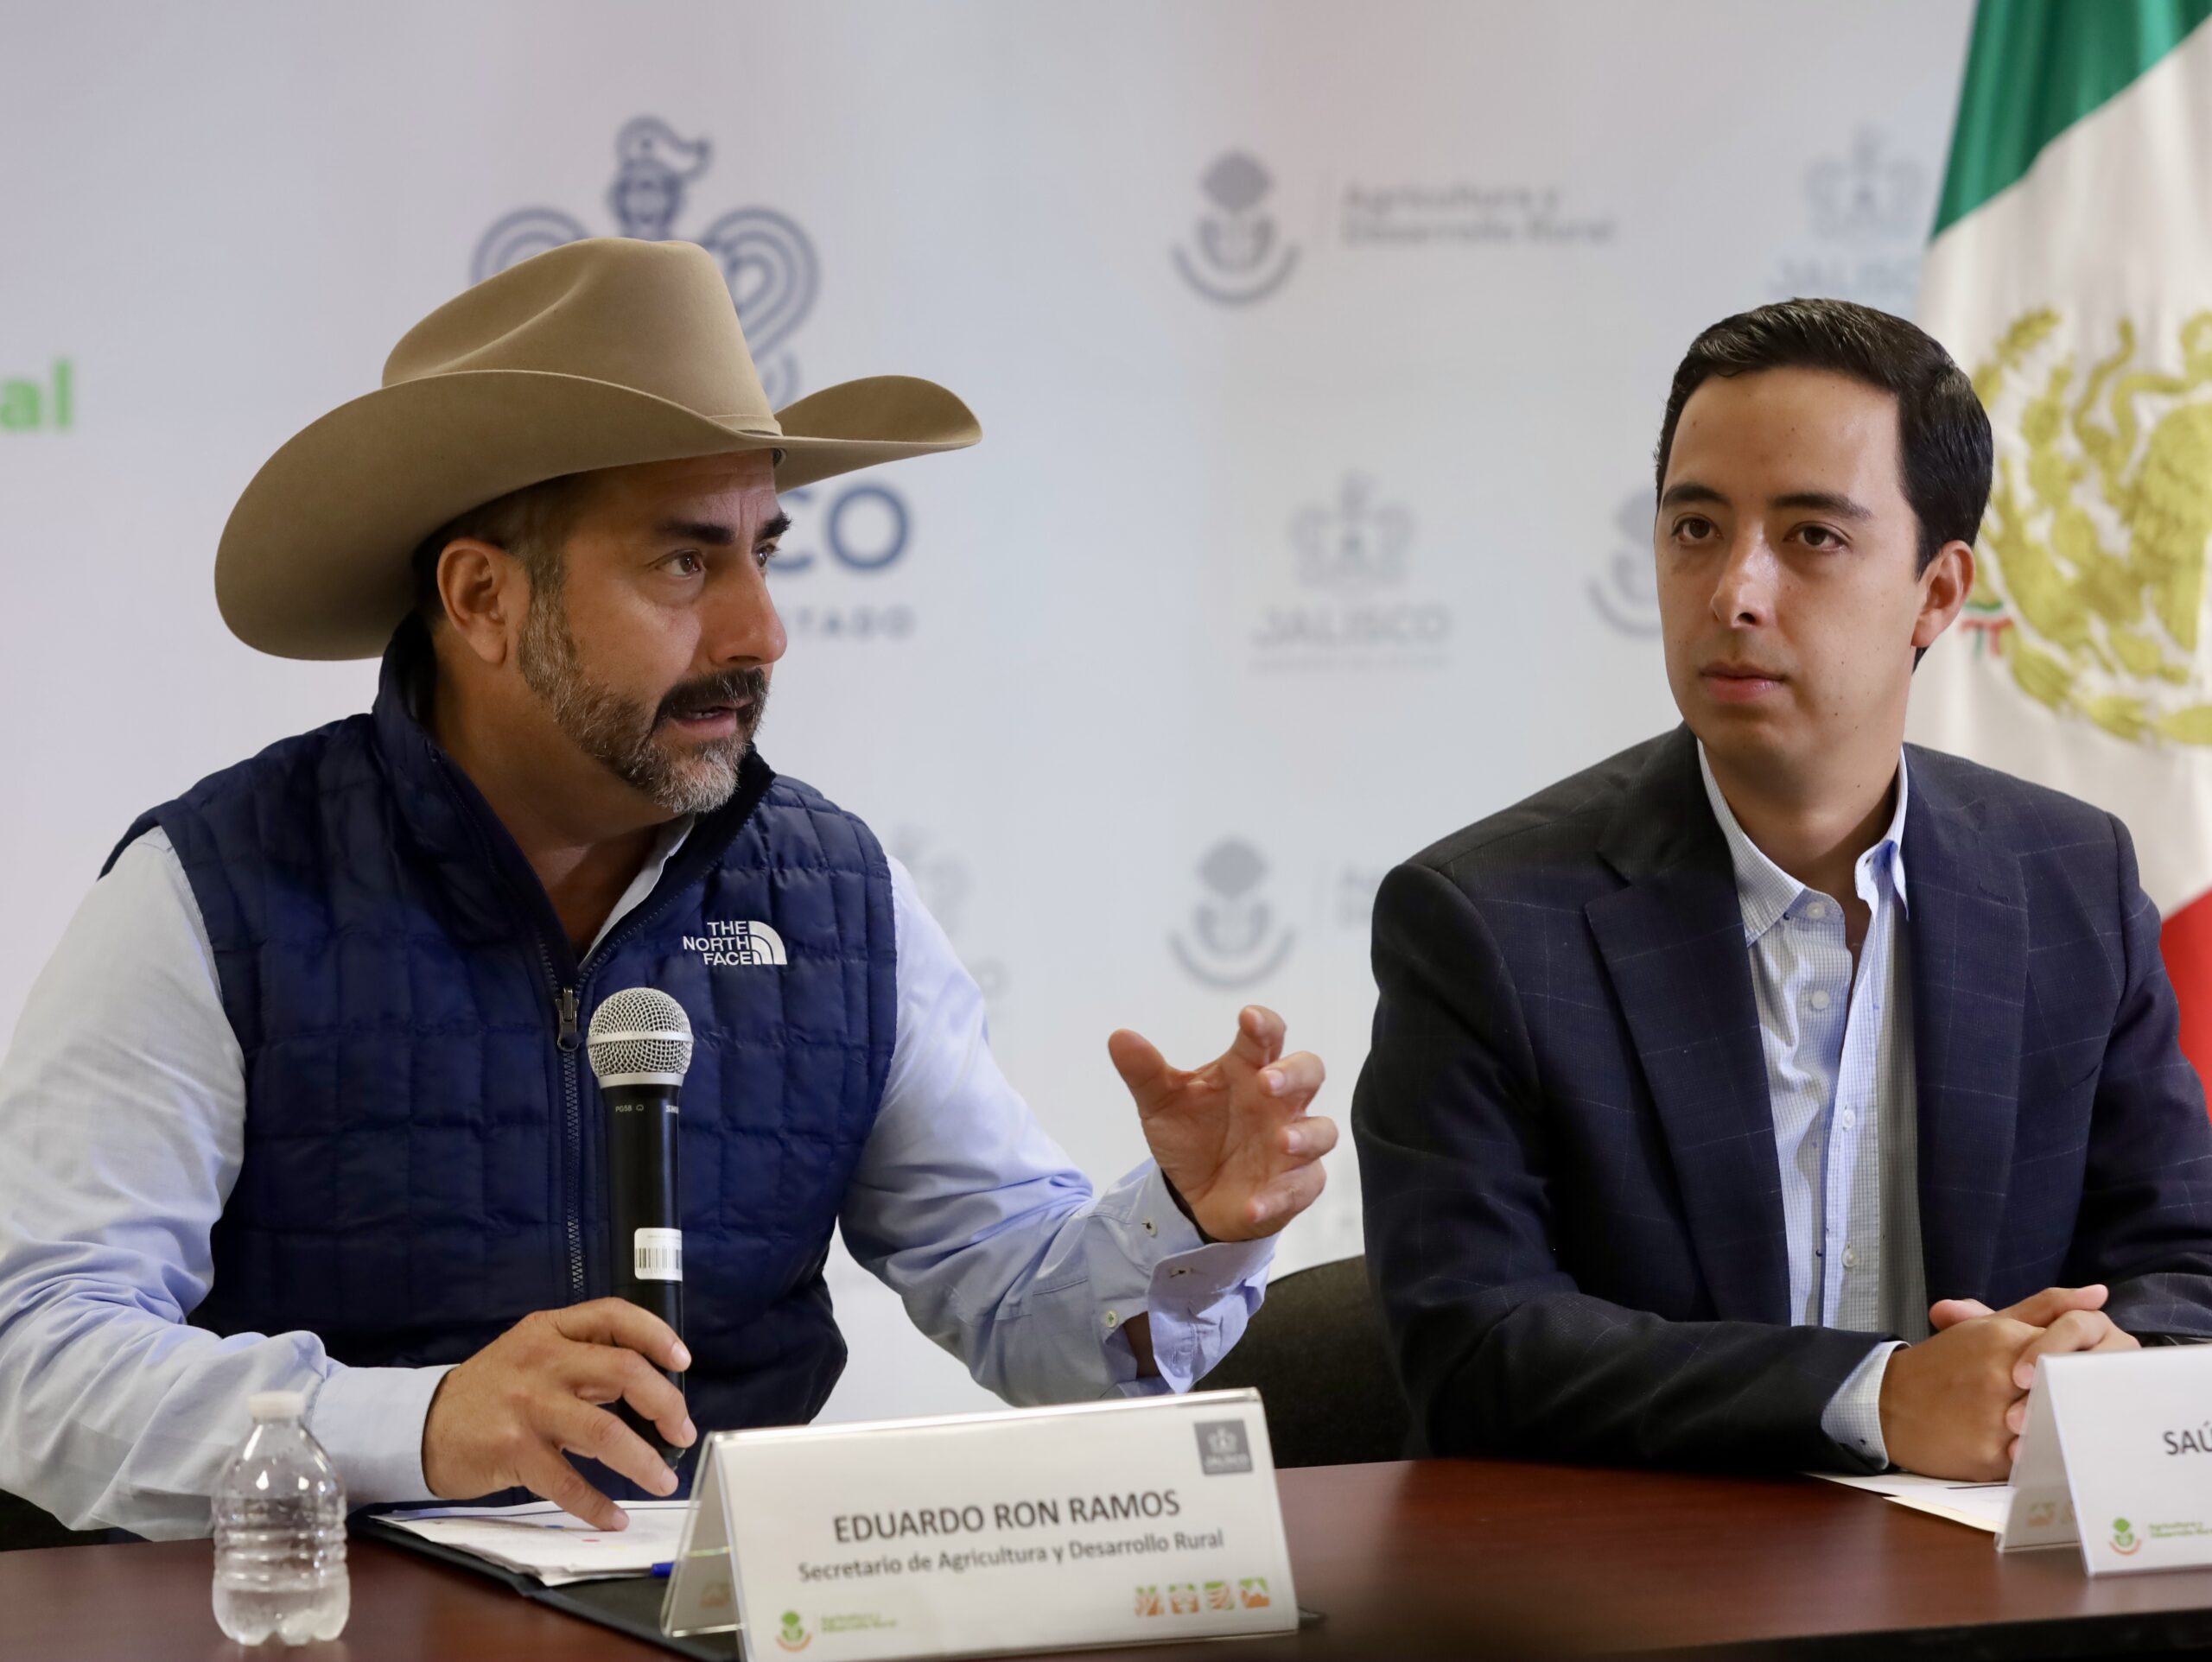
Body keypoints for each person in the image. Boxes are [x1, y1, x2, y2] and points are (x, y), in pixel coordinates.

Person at [0, 238, 1335, 1538]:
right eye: (686, 563)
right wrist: (422, 1422)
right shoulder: (214, 891)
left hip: (723, 1623)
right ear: (482, 600)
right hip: (324, 1624)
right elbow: (36, 1355)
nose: (763, 631)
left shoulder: (836, 895)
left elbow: (1030, 1321)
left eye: (766, 553)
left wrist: (1183, 1227)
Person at [1355, 297, 2212, 1480]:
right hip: (1648, 1570)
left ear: (1939, 592)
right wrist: (1881, 1398)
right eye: (1695, 528)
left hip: (1992, 1566)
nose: (1733, 593)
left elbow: (2186, 1261)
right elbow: (1473, 1348)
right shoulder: (1486, 920)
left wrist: (2101, 1364)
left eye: (1811, 536)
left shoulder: (2069, 883)